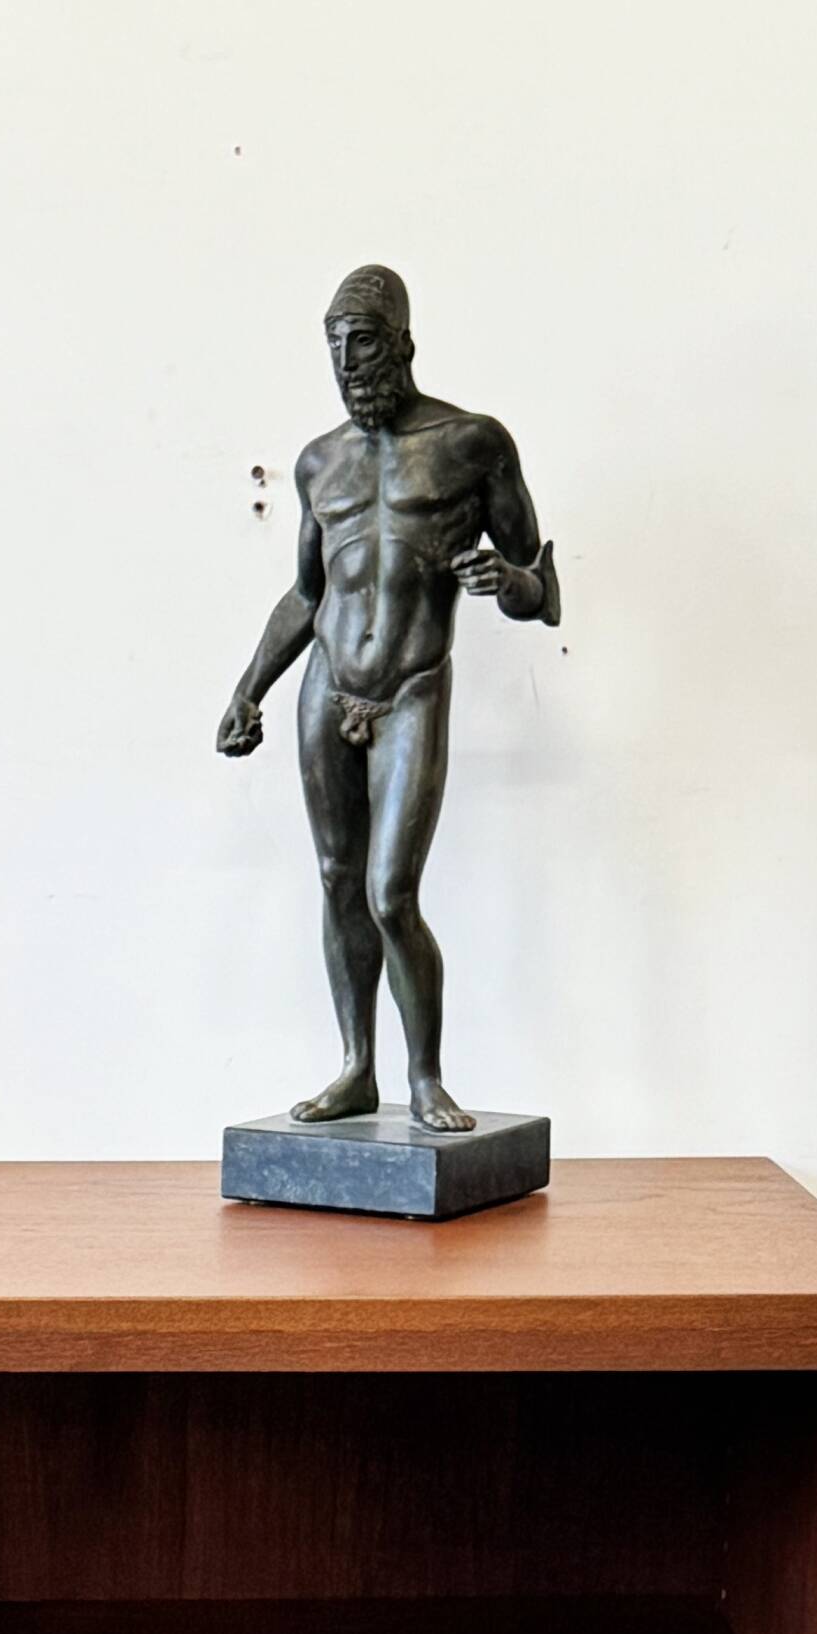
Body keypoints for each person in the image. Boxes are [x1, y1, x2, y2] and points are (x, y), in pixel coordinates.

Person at [218, 269, 557, 1135]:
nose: (347, 363)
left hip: (410, 688)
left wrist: (506, 578)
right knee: (336, 881)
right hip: (325, 687)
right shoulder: (318, 463)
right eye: (334, 345)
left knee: (390, 892)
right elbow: (305, 593)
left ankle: (426, 1077)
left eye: (363, 342)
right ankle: (356, 1068)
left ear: (402, 342)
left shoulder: (471, 444)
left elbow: (539, 583)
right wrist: (249, 688)